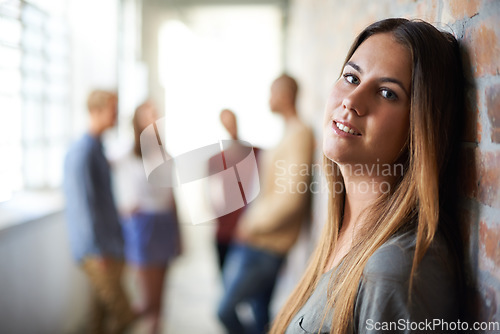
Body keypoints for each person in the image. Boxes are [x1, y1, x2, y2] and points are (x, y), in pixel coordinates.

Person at [270, 18, 466, 334]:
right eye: (351, 77)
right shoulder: (342, 229)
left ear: (420, 127)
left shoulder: (396, 270)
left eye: (387, 93)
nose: (351, 101)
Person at [217, 74, 315, 334]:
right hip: (261, 241)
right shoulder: (288, 133)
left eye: (272, 93)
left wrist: (251, 224)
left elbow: (291, 198)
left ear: (283, 95)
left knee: (224, 310)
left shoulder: (299, 134)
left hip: (265, 244)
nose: (268, 99)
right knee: (261, 315)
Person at [63, 90, 136, 334]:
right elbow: (83, 207)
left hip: (109, 244)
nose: (116, 116)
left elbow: (100, 200)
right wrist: (97, 250)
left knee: (98, 318)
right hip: (98, 251)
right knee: (124, 314)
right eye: (112, 110)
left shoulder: (98, 148)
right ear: (96, 111)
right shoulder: (82, 152)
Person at [117, 101, 181, 334]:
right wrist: (125, 209)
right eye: (148, 116)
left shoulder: (165, 155)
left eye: (156, 115)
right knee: (147, 300)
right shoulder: (127, 154)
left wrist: (178, 235)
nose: (153, 120)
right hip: (141, 227)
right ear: (137, 121)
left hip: (163, 225)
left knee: (159, 301)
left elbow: (172, 198)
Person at [210, 108, 261, 270]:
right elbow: (211, 194)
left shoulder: (256, 153)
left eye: (231, 121)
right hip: (225, 230)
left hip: (249, 230)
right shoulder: (216, 160)